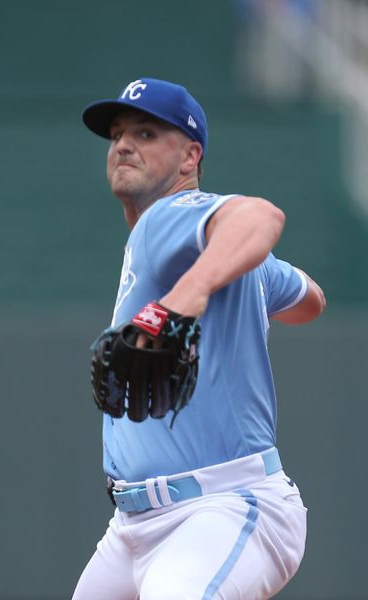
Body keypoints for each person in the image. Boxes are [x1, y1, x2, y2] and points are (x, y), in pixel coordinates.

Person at [73, 77, 326, 600]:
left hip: (220, 509)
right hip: (133, 529)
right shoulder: (216, 251)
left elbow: (262, 215)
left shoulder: (168, 219)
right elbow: (310, 300)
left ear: (189, 157)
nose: (123, 144)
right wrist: (235, 294)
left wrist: (183, 300)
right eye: (118, 134)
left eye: (146, 133)